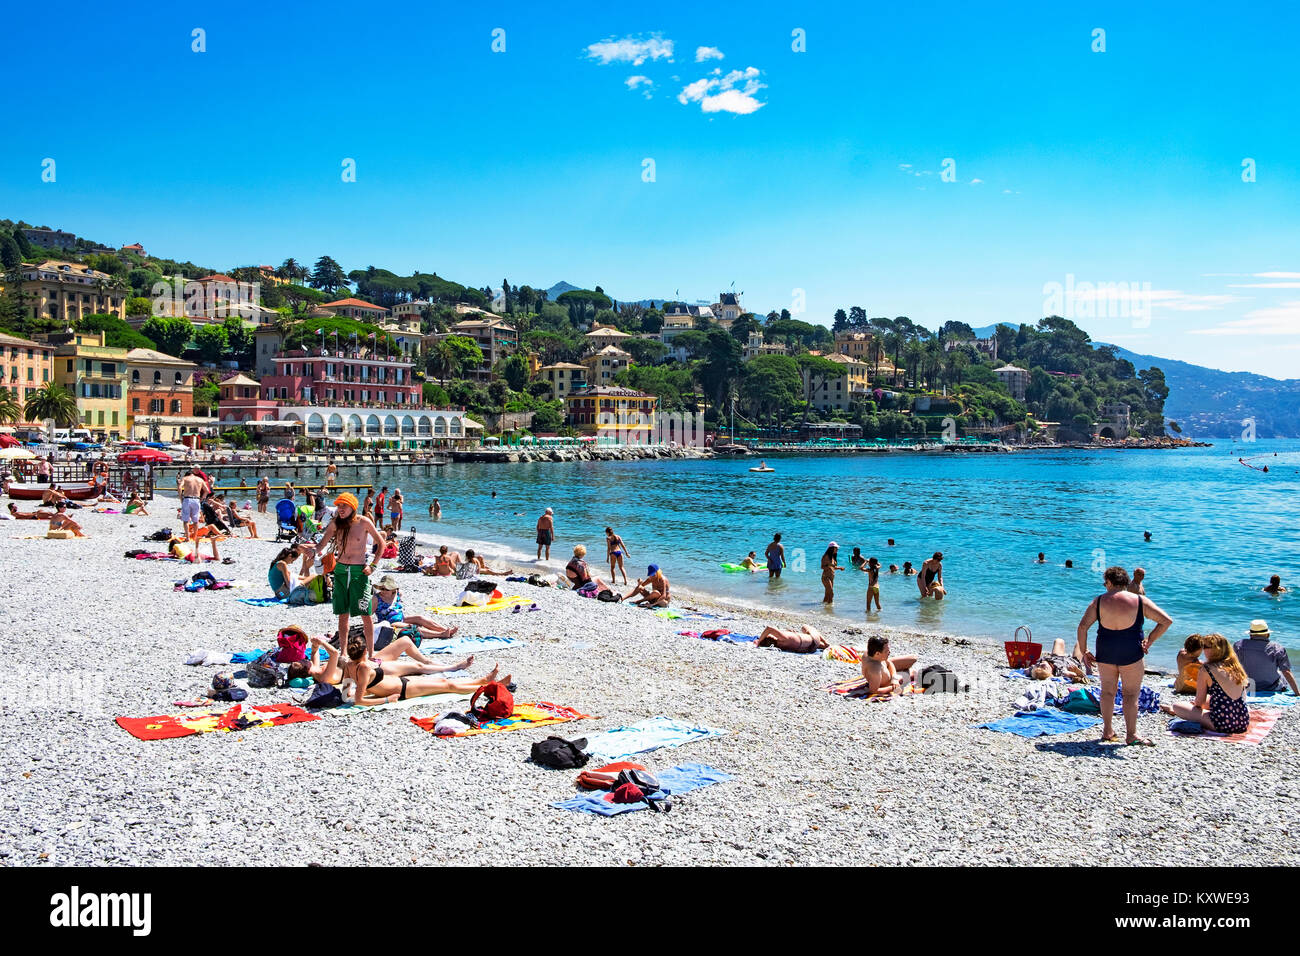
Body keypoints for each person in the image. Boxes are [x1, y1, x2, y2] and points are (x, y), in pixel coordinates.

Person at [1074, 566, 1173, 746]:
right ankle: (1131, 734)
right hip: (1131, 653)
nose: (1105, 586)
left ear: (1110, 582)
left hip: (1106, 651)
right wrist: (1150, 640)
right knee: (1130, 695)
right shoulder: (1140, 601)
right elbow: (1166, 621)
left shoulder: (1098, 601)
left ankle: (1107, 730)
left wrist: (1084, 651)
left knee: (1107, 692)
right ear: (1126, 582)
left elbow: (1082, 627)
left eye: (1105, 583)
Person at [336, 634, 508, 707]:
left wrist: (366, 691)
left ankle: (482, 681)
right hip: (401, 690)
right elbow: (358, 701)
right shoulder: (364, 667)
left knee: (443, 682)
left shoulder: (349, 666)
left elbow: (346, 696)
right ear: (365, 651)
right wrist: (386, 700)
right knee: (447, 685)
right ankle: (488, 686)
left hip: (402, 684)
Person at [319, 493, 387, 661]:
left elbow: (382, 543)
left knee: (366, 613)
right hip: (341, 571)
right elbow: (322, 543)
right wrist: (312, 550)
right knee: (343, 614)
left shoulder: (364, 522)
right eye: (339, 506)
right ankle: (343, 652)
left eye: (344, 506)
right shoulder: (335, 524)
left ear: (353, 507)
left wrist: (373, 566)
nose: (340, 509)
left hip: (359, 572)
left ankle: (371, 654)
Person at [289, 633, 474, 686]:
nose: (305, 659)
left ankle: (430, 663)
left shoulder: (315, 668)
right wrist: (323, 643)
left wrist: (314, 645)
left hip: (369, 660)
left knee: (405, 641)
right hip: (371, 670)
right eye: (304, 662)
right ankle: (452, 668)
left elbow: (313, 654)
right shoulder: (323, 677)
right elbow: (335, 654)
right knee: (415, 667)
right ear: (305, 670)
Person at [1160, 633, 1251, 734]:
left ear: (1214, 650)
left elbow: (1199, 702)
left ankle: (1176, 710)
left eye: (1205, 647)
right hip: (1243, 721)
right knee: (1210, 699)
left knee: (1178, 706)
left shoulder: (1207, 669)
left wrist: (1196, 708)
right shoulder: (1235, 667)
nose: (1203, 650)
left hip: (1222, 724)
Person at [370, 575, 459, 640]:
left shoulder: (398, 594)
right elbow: (369, 614)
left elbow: (400, 596)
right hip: (389, 624)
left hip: (401, 618)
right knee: (412, 626)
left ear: (393, 589)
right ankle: (441, 634)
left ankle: (447, 631)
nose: (383, 591)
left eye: (386, 589)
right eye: (382, 588)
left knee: (420, 618)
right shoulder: (376, 598)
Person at [1233, 620, 1298, 694]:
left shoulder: (1239, 645)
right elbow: (1286, 672)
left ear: (1250, 634)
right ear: (1267, 634)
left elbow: (1233, 667)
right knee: (1280, 674)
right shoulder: (1277, 648)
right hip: (1271, 687)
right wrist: (1297, 693)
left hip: (1248, 686)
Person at [177, 469, 211, 556]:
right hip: (196, 499)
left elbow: (180, 487)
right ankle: (195, 537)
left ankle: (188, 537)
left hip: (187, 498)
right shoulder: (200, 479)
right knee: (196, 520)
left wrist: (181, 497)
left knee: (186, 520)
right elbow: (207, 490)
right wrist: (202, 498)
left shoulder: (185, 478)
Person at [756, 624, 828, 653]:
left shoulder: (781, 645)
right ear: (771, 637)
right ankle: (825, 642)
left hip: (810, 648)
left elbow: (792, 640)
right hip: (814, 640)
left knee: (806, 638)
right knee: (804, 627)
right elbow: (769, 628)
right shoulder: (783, 638)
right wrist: (759, 641)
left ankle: (825, 646)